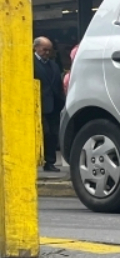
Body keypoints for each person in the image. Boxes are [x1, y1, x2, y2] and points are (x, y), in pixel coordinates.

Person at [34, 37, 65, 172]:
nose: (47, 52)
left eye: (49, 50)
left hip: (54, 105)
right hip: (38, 105)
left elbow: (58, 85)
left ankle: (50, 162)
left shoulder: (54, 65)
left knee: (53, 134)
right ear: (36, 48)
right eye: (44, 49)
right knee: (44, 134)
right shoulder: (30, 63)